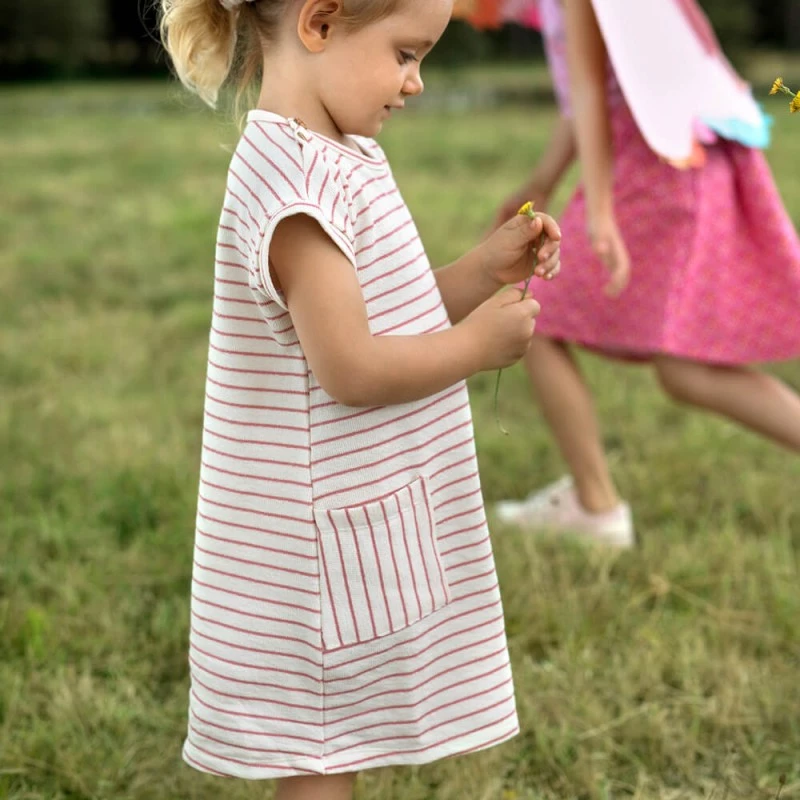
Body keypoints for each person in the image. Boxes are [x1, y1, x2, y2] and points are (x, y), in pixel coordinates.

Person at [158, 0, 562, 797]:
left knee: (335, 742)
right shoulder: (297, 192)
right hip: (311, 555)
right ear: (321, 23)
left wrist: (484, 270)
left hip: (345, 516)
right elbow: (349, 365)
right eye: (407, 54)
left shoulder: (336, 151)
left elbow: (388, 310)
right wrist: (476, 350)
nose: (415, 83)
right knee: (320, 751)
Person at [493, 0, 800, 549]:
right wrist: (541, 180)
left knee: (536, 315)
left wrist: (602, 212)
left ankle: (596, 505)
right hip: (682, 161)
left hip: (657, 169)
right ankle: (594, 503)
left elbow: (590, 96)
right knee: (685, 369)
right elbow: (590, 93)